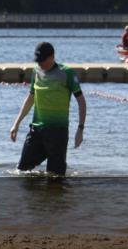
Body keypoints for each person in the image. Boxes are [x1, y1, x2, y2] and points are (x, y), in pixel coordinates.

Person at [9, 42, 86, 175]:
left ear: (52, 57)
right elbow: (30, 98)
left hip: (58, 132)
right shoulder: (36, 71)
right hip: (36, 130)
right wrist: (16, 124)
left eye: (43, 60)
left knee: (55, 177)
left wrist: (80, 129)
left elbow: (81, 102)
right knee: (21, 172)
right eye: (38, 61)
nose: (40, 64)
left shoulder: (67, 73)